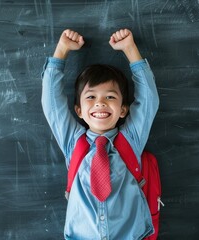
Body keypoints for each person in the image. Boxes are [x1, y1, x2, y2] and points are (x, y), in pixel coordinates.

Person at [41, 28, 159, 239]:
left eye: (111, 97)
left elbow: (149, 100)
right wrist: (61, 50)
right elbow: (52, 104)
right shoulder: (73, 142)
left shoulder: (130, 139)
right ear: (78, 110)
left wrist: (130, 49)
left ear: (123, 109)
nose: (100, 103)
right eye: (91, 97)